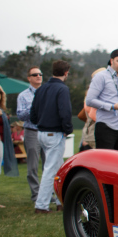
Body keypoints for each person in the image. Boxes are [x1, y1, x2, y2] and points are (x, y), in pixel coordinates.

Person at [30, 59, 73, 214]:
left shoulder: (41, 89)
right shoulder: (62, 89)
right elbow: (65, 112)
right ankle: (41, 205)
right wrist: (68, 129)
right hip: (54, 133)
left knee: (59, 168)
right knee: (50, 170)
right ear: (66, 72)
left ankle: (60, 201)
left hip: (40, 132)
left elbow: (32, 113)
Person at [85, 49, 118, 151]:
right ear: (111, 61)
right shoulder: (101, 76)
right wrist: (112, 107)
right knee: (106, 164)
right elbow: (89, 100)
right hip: (105, 127)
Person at [16, 65, 46, 202]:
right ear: (29, 78)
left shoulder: (47, 92)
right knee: (33, 166)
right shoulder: (23, 95)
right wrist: (34, 108)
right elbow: (20, 115)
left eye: (40, 74)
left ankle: (48, 193)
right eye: (35, 75)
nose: (38, 76)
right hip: (32, 132)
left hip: (47, 131)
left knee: (49, 165)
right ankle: (36, 194)